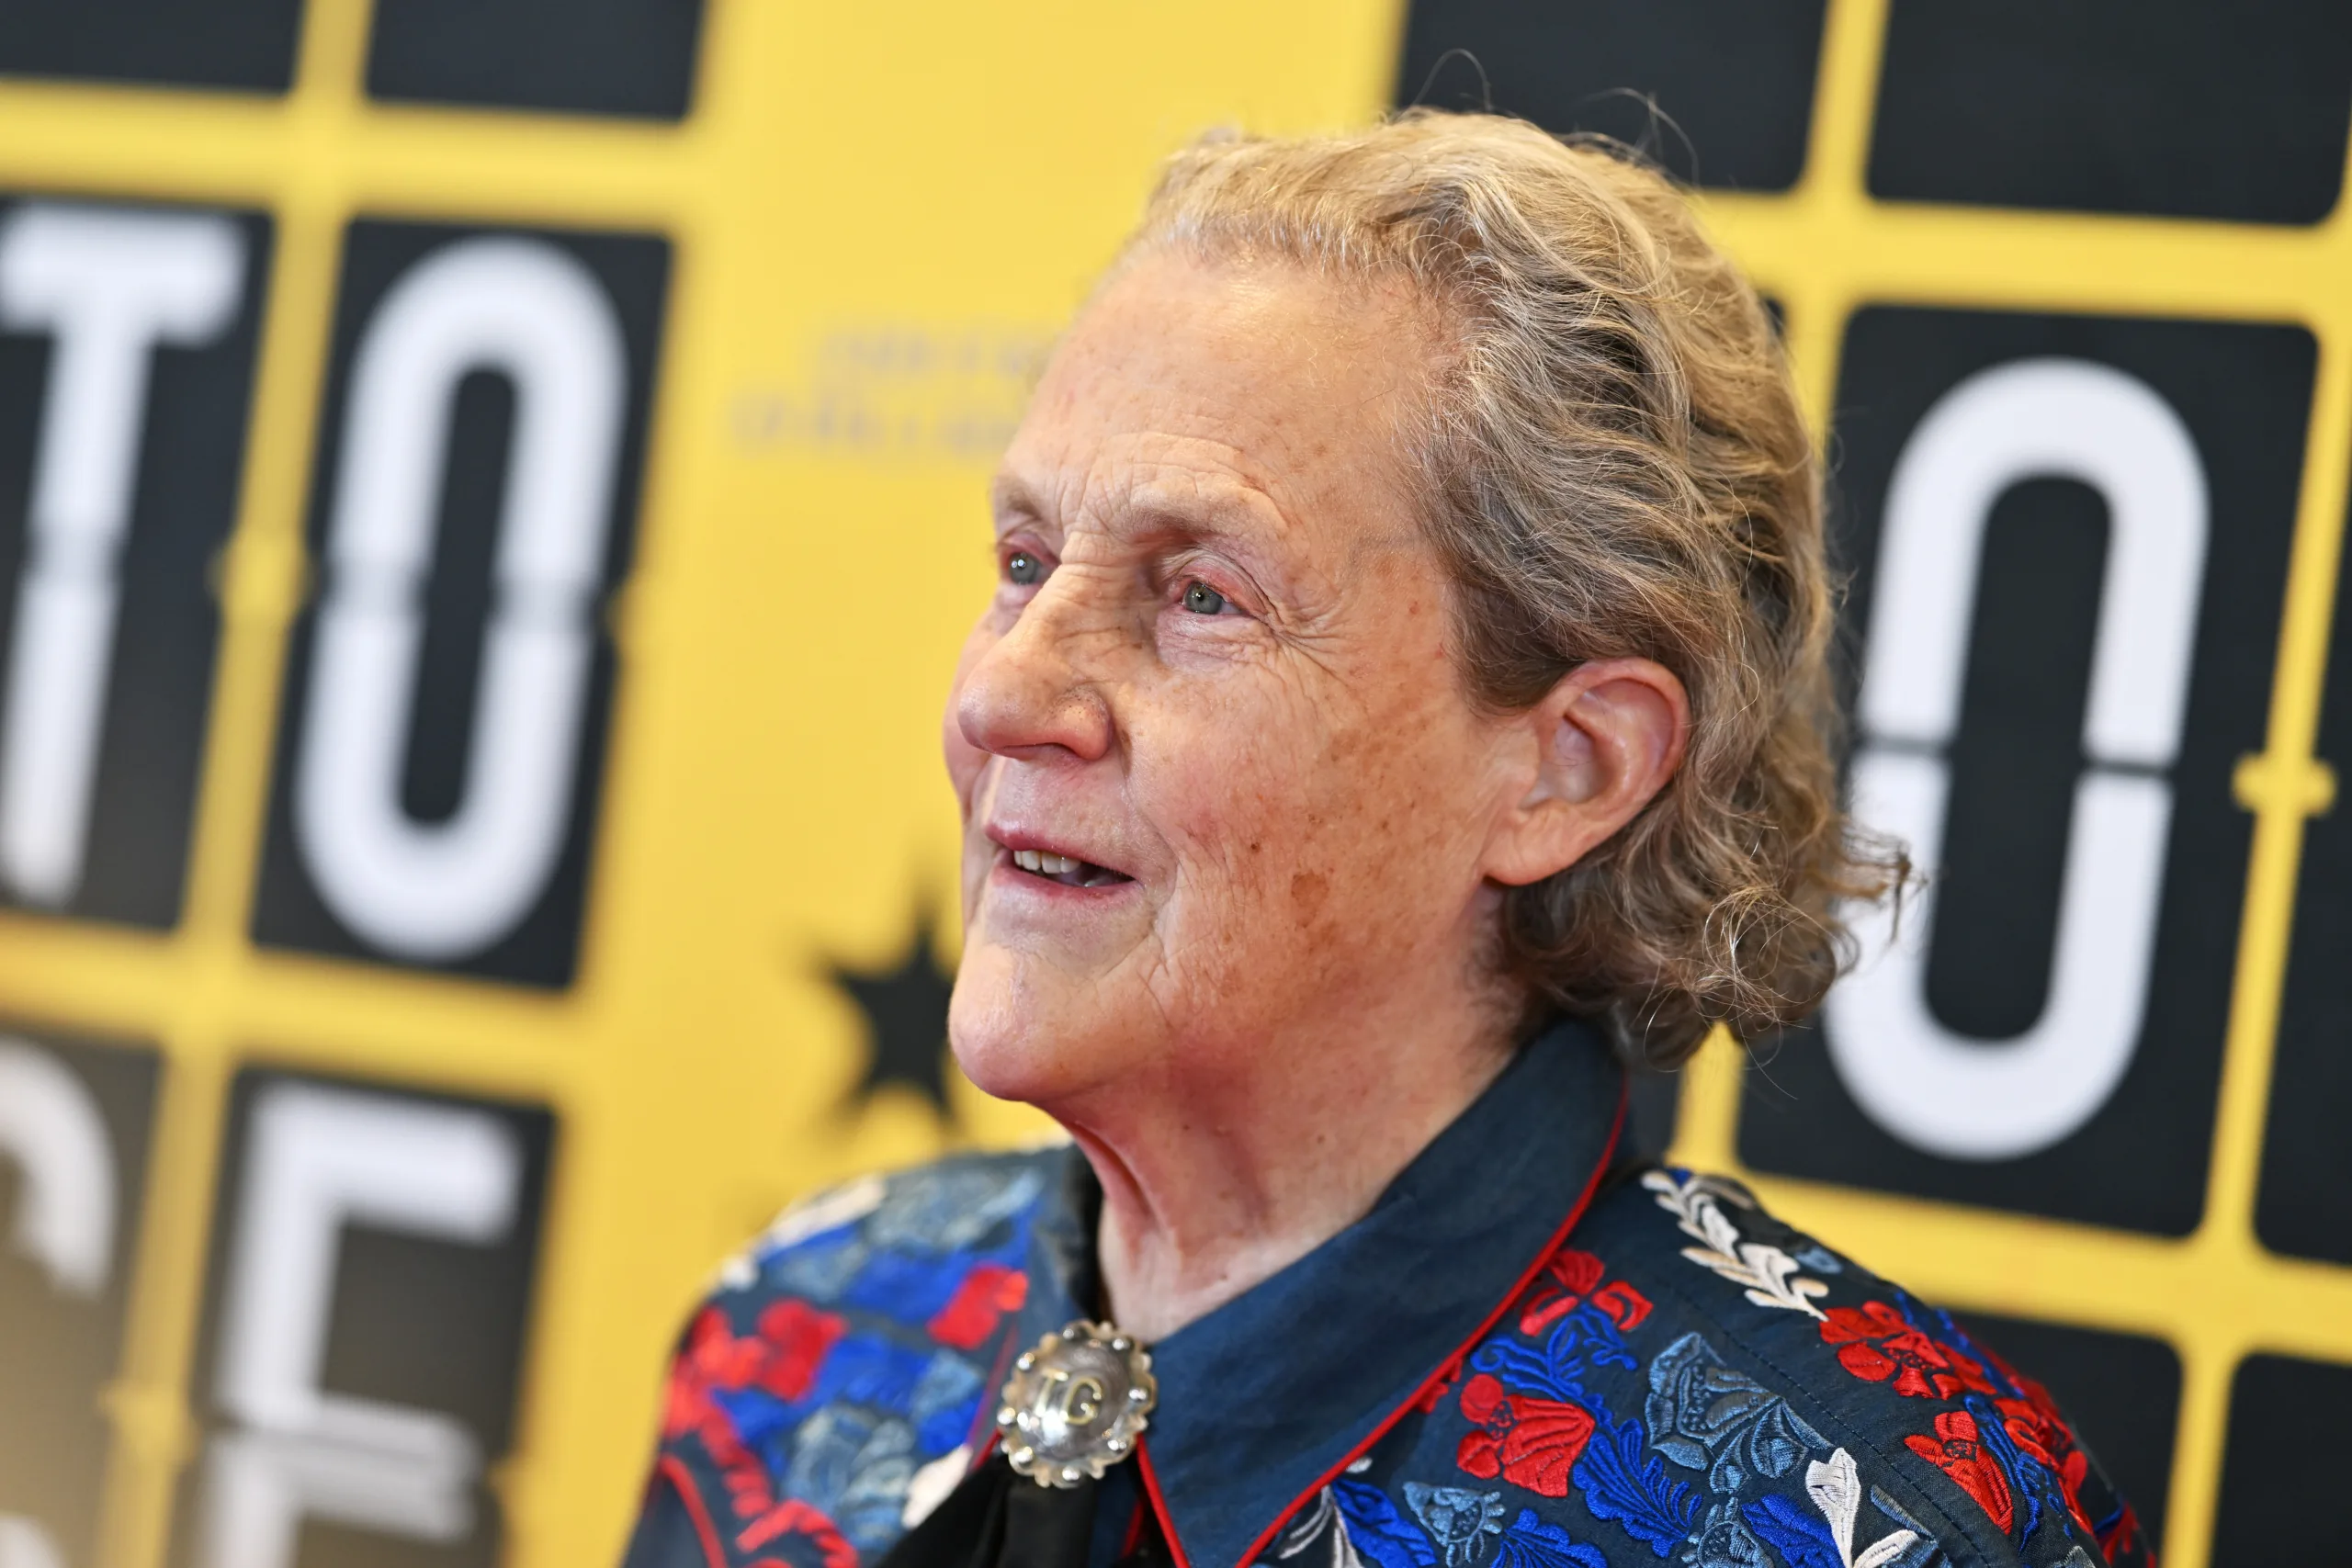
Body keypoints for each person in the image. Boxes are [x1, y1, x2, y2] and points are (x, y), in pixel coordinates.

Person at [620, 112, 2150, 1568]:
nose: (1004, 691)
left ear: (1569, 767)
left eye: (1201, 594)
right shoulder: (799, 1332)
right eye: (1024, 562)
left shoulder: (1853, 1517)